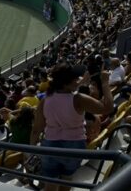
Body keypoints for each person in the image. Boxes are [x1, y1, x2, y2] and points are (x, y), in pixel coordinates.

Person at [30, 63, 113, 191]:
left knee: (50, 184)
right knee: (67, 181)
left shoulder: (45, 100)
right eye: (75, 79)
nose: (78, 80)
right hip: (74, 147)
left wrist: (31, 151)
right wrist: (105, 83)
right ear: (66, 83)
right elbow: (108, 108)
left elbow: (36, 129)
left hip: (50, 146)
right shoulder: (78, 99)